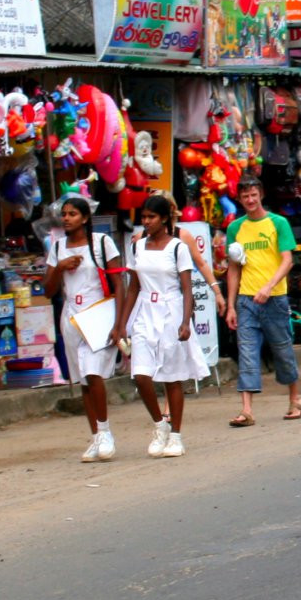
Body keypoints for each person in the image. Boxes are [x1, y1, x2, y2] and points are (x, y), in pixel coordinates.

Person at [111, 194, 210, 458]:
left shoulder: (177, 247)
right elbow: (133, 287)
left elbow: (187, 288)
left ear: (164, 219)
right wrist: (121, 323)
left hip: (171, 309)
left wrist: (185, 321)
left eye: (151, 217)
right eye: (143, 217)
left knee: (172, 376)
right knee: (141, 374)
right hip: (145, 310)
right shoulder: (138, 247)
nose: (146, 222)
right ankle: (159, 425)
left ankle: (176, 435)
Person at [44, 197, 120, 463]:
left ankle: (106, 431)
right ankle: (96, 436)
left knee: (93, 372)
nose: (66, 218)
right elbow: (48, 290)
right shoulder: (57, 247)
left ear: (85, 218)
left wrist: (120, 323)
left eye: (73, 214)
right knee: (83, 381)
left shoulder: (102, 243)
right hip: (72, 317)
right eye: (64, 214)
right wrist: (61, 267)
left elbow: (118, 282)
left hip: (98, 315)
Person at [224, 177, 301, 426]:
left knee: (282, 350)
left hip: (275, 299)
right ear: (240, 199)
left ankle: (295, 399)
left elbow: (287, 260)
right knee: (246, 353)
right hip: (247, 301)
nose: (250, 200)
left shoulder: (278, 223)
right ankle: (246, 410)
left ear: (261, 195)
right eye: (245, 196)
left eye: (253, 195)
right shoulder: (235, 228)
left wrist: (269, 287)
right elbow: (234, 268)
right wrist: (230, 305)